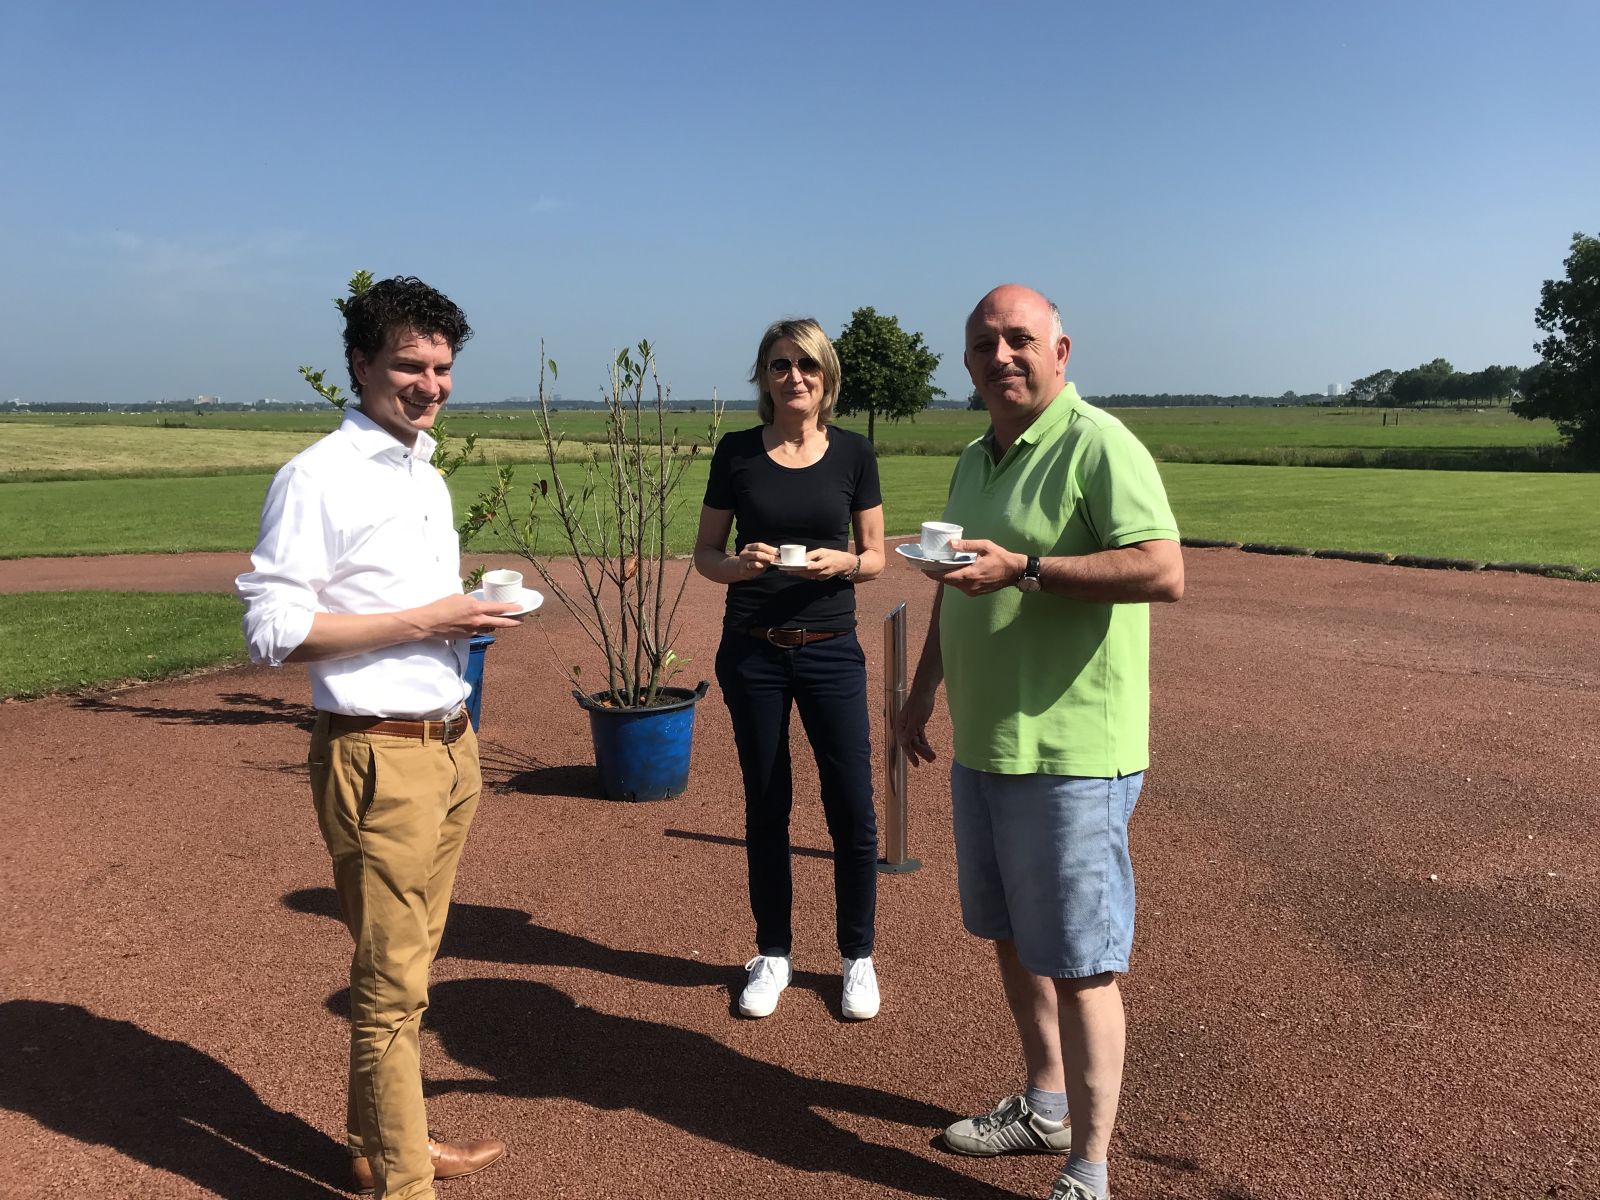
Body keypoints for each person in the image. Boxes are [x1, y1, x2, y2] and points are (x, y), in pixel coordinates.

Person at [894, 285, 1183, 1200]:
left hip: (1074, 756)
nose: (1001, 356)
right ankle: (1044, 1103)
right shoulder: (977, 456)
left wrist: (1027, 568)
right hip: (988, 743)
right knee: (1014, 940)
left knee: (1083, 964)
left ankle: (1088, 1171)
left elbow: (1162, 568)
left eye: (1020, 339)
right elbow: (951, 584)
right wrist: (920, 692)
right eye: (984, 344)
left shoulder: (1099, 443)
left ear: (1062, 350)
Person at [236, 276, 522, 1200]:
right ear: (359, 364)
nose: (430, 383)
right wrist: (423, 619)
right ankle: (403, 1184)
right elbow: (273, 631)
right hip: (375, 752)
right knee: (391, 989)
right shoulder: (316, 476)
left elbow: (415, 615)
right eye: (410, 364)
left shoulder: (425, 471)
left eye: (442, 366)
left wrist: (457, 624)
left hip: (448, 743)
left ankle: (379, 1141)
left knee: (412, 965)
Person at [693, 317, 887, 1021]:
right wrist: (738, 565)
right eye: (780, 366)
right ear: (764, 377)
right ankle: (772, 953)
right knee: (767, 803)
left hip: (831, 648)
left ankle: (856, 957)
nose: (794, 377)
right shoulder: (738, 452)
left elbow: (876, 555)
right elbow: (706, 554)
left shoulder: (854, 453)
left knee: (852, 808)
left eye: (807, 366)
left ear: (826, 377)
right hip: (753, 648)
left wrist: (848, 565)